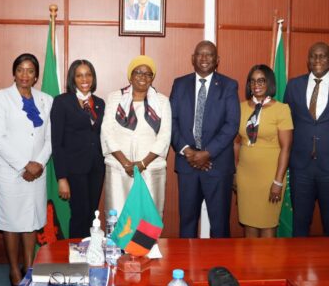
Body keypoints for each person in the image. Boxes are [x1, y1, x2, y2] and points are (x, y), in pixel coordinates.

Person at [0, 53, 53, 286]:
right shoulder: (0, 97)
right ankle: (14, 270)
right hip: (9, 170)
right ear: (14, 73)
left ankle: (29, 266)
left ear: (36, 76)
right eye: (20, 70)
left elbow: (50, 138)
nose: (25, 75)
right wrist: (24, 164)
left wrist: (38, 164)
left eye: (30, 71)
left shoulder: (46, 100)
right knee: (10, 220)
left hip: (37, 171)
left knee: (31, 219)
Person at [284, 42, 329, 237]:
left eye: (322, 55)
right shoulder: (293, 85)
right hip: (300, 167)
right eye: (313, 56)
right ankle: (298, 257)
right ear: (308, 60)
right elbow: (286, 124)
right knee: (300, 223)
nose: (317, 59)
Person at [170, 41, 240, 238]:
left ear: (217, 60)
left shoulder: (228, 85)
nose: (204, 58)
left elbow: (232, 124)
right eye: (200, 54)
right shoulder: (180, 84)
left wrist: (207, 153)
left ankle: (219, 260)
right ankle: (185, 259)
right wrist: (187, 151)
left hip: (217, 165)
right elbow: (171, 121)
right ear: (193, 58)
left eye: (209, 54)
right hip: (187, 164)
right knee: (187, 223)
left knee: (220, 226)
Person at [101, 55, 172, 216]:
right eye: (138, 72)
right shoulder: (115, 97)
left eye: (148, 74)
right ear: (130, 76)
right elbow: (107, 132)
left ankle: (145, 238)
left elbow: (164, 136)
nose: (143, 77)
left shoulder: (162, 101)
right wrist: (125, 163)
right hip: (119, 168)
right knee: (119, 216)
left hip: (150, 168)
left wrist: (143, 163)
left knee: (147, 217)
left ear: (152, 78)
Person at [234, 65, 293, 238]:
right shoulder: (240, 108)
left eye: (261, 81)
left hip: (270, 177)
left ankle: (268, 258)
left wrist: (278, 182)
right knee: (248, 225)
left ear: (269, 83)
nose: (256, 85)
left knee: (268, 225)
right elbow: (236, 143)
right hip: (245, 176)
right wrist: (235, 172)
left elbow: (286, 148)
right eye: (252, 81)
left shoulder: (282, 109)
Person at [50, 59, 105, 239]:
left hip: (96, 168)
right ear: (72, 79)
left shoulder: (100, 103)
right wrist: (61, 177)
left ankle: (91, 250)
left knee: (91, 214)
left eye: (88, 75)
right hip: (74, 169)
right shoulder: (62, 102)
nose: (84, 79)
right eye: (79, 75)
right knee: (79, 214)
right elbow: (56, 143)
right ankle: (76, 252)